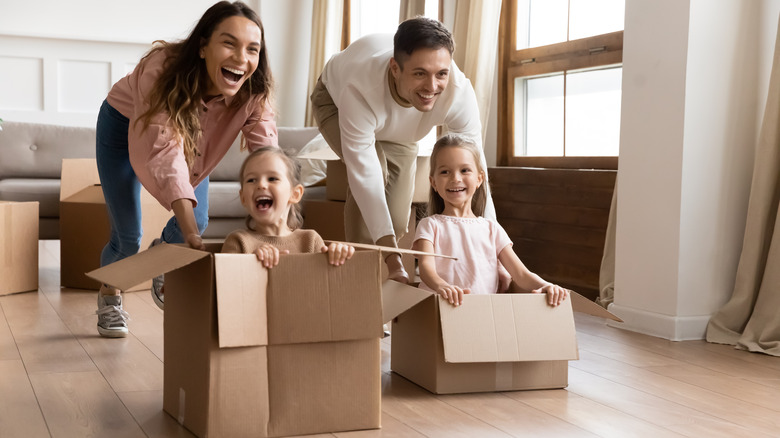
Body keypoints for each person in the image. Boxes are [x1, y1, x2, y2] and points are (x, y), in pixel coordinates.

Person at [95, 1, 277, 338]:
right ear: (204, 46)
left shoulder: (253, 92)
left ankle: (162, 255)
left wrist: (284, 218)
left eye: (253, 49)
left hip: (192, 138)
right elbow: (165, 154)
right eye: (229, 43)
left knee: (200, 219)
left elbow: (267, 153)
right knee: (127, 236)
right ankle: (110, 296)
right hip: (123, 128)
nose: (241, 58)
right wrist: (190, 237)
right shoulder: (162, 70)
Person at [310, 16, 496, 284]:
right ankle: (359, 287)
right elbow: (367, 179)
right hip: (335, 101)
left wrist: (495, 241)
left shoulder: (459, 92)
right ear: (395, 68)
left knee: (396, 219)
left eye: (441, 74)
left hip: (401, 130)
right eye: (419, 73)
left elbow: (477, 170)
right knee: (377, 172)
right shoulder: (359, 88)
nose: (432, 87)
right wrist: (393, 262)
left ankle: (384, 272)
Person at [412, 134, 569, 307]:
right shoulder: (429, 225)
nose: (455, 178)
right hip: (441, 309)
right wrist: (442, 286)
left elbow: (521, 274)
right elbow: (426, 268)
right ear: (433, 182)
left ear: (479, 179)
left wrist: (546, 285)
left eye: (464, 170)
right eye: (445, 172)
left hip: (483, 314)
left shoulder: (492, 228)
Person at [221, 147, 355, 267]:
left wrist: (338, 255)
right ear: (243, 197)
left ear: (295, 194)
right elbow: (225, 286)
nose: (261, 184)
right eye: (251, 180)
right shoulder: (238, 241)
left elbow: (324, 284)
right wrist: (252, 263)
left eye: (272, 178)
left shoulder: (310, 240)